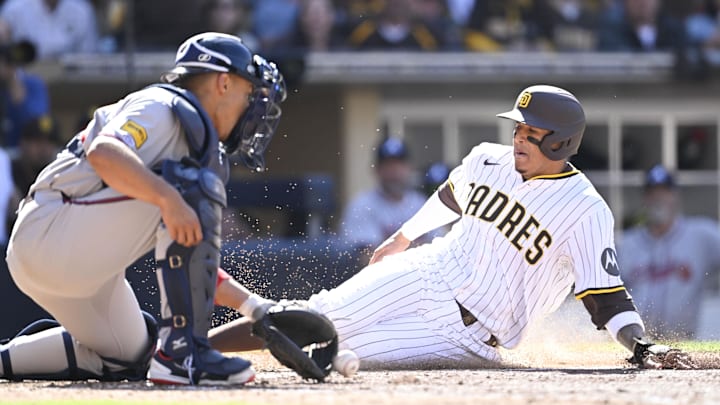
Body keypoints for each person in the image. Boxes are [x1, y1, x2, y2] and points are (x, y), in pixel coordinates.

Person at [209, 84, 693, 370]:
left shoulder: (587, 210)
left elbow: (606, 298)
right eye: (518, 128)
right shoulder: (488, 158)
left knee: (332, 350)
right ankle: (184, 354)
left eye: (531, 132)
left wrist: (640, 345)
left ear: (562, 143)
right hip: (427, 269)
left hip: (467, 334)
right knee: (311, 315)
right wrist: (401, 238)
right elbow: (449, 198)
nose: (518, 137)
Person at [1, 32, 285, 385]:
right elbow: (103, 152)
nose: (252, 104)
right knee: (191, 186)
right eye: (248, 91)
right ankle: (184, 356)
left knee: (129, 356)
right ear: (224, 82)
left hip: (72, 265)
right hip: (48, 231)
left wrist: (258, 309)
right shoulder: (162, 106)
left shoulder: (188, 135)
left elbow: (195, 255)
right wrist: (169, 198)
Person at [618, 164, 720, 339]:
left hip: (684, 340)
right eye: (653, 193)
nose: (659, 199)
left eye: (664, 192)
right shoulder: (626, 243)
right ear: (644, 199)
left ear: (676, 196)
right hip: (637, 342)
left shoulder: (701, 235)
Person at [339, 136, 433, 257]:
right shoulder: (361, 205)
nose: (394, 171)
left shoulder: (420, 203)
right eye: (388, 165)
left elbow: (441, 244)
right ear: (376, 170)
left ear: (409, 168)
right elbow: (365, 257)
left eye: (399, 165)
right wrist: (416, 247)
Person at [0, 0, 98, 60]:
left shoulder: (82, 10)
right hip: (25, 78)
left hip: (69, 80)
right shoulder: (14, 8)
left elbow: (89, 56)